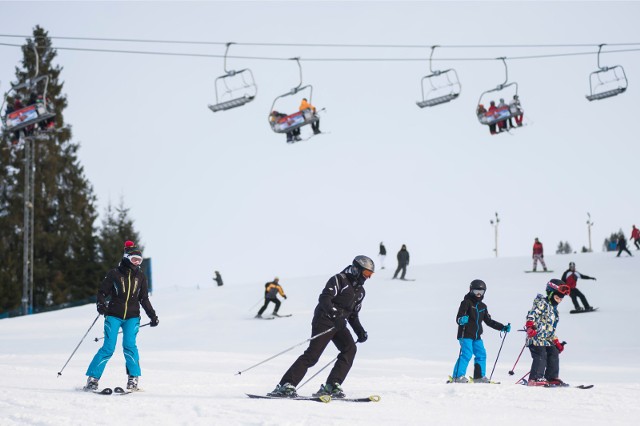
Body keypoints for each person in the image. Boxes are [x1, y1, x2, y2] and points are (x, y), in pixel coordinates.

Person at [267, 256, 374, 398]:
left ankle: (332, 385)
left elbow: (353, 315)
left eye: (370, 275)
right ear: (356, 269)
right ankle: (286, 385)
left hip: (339, 324)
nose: (368, 277)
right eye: (366, 273)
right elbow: (324, 299)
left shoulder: (360, 292)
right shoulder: (339, 279)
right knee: (312, 355)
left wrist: (359, 331)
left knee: (350, 349)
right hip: (324, 320)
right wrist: (335, 315)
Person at [84, 241, 159, 392]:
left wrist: (152, 315)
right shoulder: (114, 274)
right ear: (127, 258)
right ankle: (92, 380)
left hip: (132, 317)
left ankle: (133, 379)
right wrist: (100, 304)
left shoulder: (141, 277)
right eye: (134, 259)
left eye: (139, 260)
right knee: (108, 347)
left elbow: (144, 298)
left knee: (130, 346)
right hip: (113, 315)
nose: (137, 263)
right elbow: (102, 292)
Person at [450, 279, 510, 383]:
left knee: (481, 354)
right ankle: (457, 376)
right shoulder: (466, 303)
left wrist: (502, 327)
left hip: (477, 336)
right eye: (476, 291)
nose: (478, 294)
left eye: (481, 292)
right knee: (467, 354)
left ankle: (479, 377)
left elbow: (489, 321)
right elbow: (459, 317)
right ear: (471, 290)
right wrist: (461, 320)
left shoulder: (483, 306)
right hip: (465, 334)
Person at [524, 279, 570, 386]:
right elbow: (532, 315)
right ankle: (535, 379)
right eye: (557, 297)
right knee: (541, 354)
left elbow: (551, 329)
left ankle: (551, 377)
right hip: (536, 337)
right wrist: (530, 327)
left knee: (553, 352)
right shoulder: (542, 303)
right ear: (550, 293)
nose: (558, 300)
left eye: (561, 299)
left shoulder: (554, 311)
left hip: (546, 340)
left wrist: (557, 342)